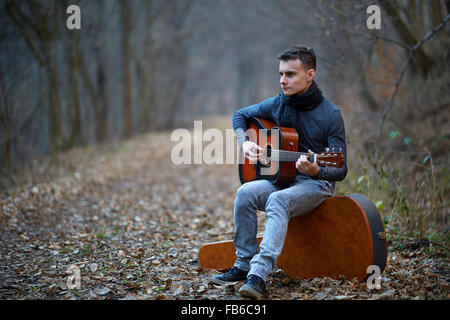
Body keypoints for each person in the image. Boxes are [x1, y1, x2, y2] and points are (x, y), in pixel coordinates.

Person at [210, 46, 348, 299]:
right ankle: (243, 264)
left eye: (290, 74)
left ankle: (258, 276)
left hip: (316, 184)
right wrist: (245, 142)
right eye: (281, 73)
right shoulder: (278, 103)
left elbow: (339, 167)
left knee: (277, 200)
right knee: (245, 193)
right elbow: (240, 115)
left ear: (310, 75)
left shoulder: (330, 115)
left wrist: (317, 169)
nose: (282, 80)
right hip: (282, 178)